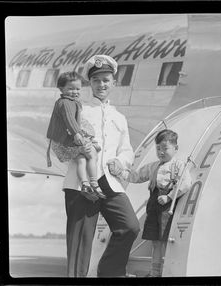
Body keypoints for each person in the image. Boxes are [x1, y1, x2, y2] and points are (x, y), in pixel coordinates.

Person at [62, 55, 140, 277]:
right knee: (80, 245)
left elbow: (126, 150)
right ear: (90, 83)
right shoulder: (78, 110)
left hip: (108, 181)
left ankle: (109, 273)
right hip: (82, 182)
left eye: (106, 80)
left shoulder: (119, 117)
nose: (102, 84)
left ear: (113, 82)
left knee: (129, 227)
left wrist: (121, 161)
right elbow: (61, 143)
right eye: (96, 80)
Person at [118, 129, 192, 277]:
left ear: (175, 149)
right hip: (153, 208)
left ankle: (165, 272)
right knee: (155, 242)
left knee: (164, 241)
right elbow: (137, 176)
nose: (161, 152)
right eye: (158, 148)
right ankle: (154, 272)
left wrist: (169, 197)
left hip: (167, 209)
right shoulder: (153, 167)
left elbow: (185, 183)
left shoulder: (178, 166)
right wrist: (120, 172)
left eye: (165, 148)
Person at [46, 71, 106, 199]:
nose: (75, 91)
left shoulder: (72, 101)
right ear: (61, 88)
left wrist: (84, 134)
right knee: (92, 154)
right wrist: (77, 134)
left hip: (64, 140)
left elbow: (78, 121)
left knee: (81, 159)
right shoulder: (65, 102)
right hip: (65, 141)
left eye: (78, 89)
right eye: (71, 89)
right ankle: (94, 182)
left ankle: (85, 184)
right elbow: (70, 120)